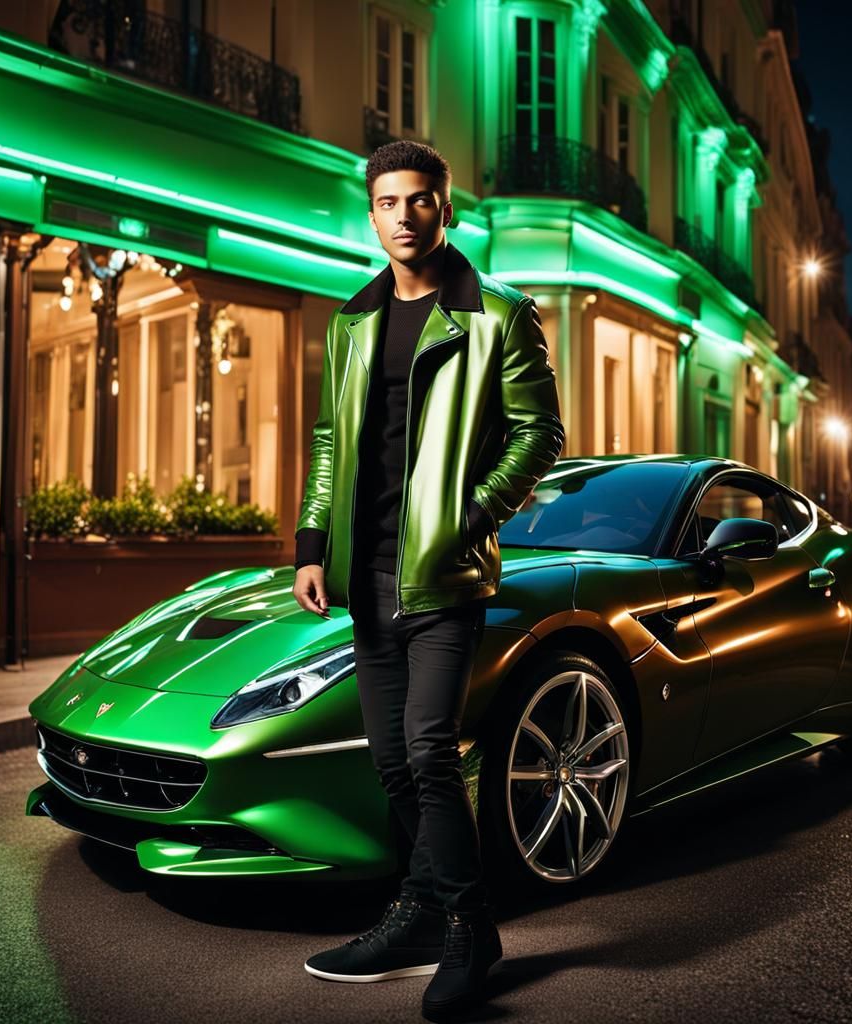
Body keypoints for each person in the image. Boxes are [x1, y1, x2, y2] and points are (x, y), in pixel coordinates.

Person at [292, 139, 564, 1020]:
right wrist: (310, 543)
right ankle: (418, 913)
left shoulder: (499, 315)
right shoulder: (352, 322)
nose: (403, 216)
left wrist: (469, 516)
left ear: (446, 208)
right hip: (366, 573)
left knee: (427, 751)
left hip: (444, 574)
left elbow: (540, 435)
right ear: (370, 214)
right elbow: (331, 443)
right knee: (389, 761)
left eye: (419, 200)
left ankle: (470, 930)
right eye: (387, 202)